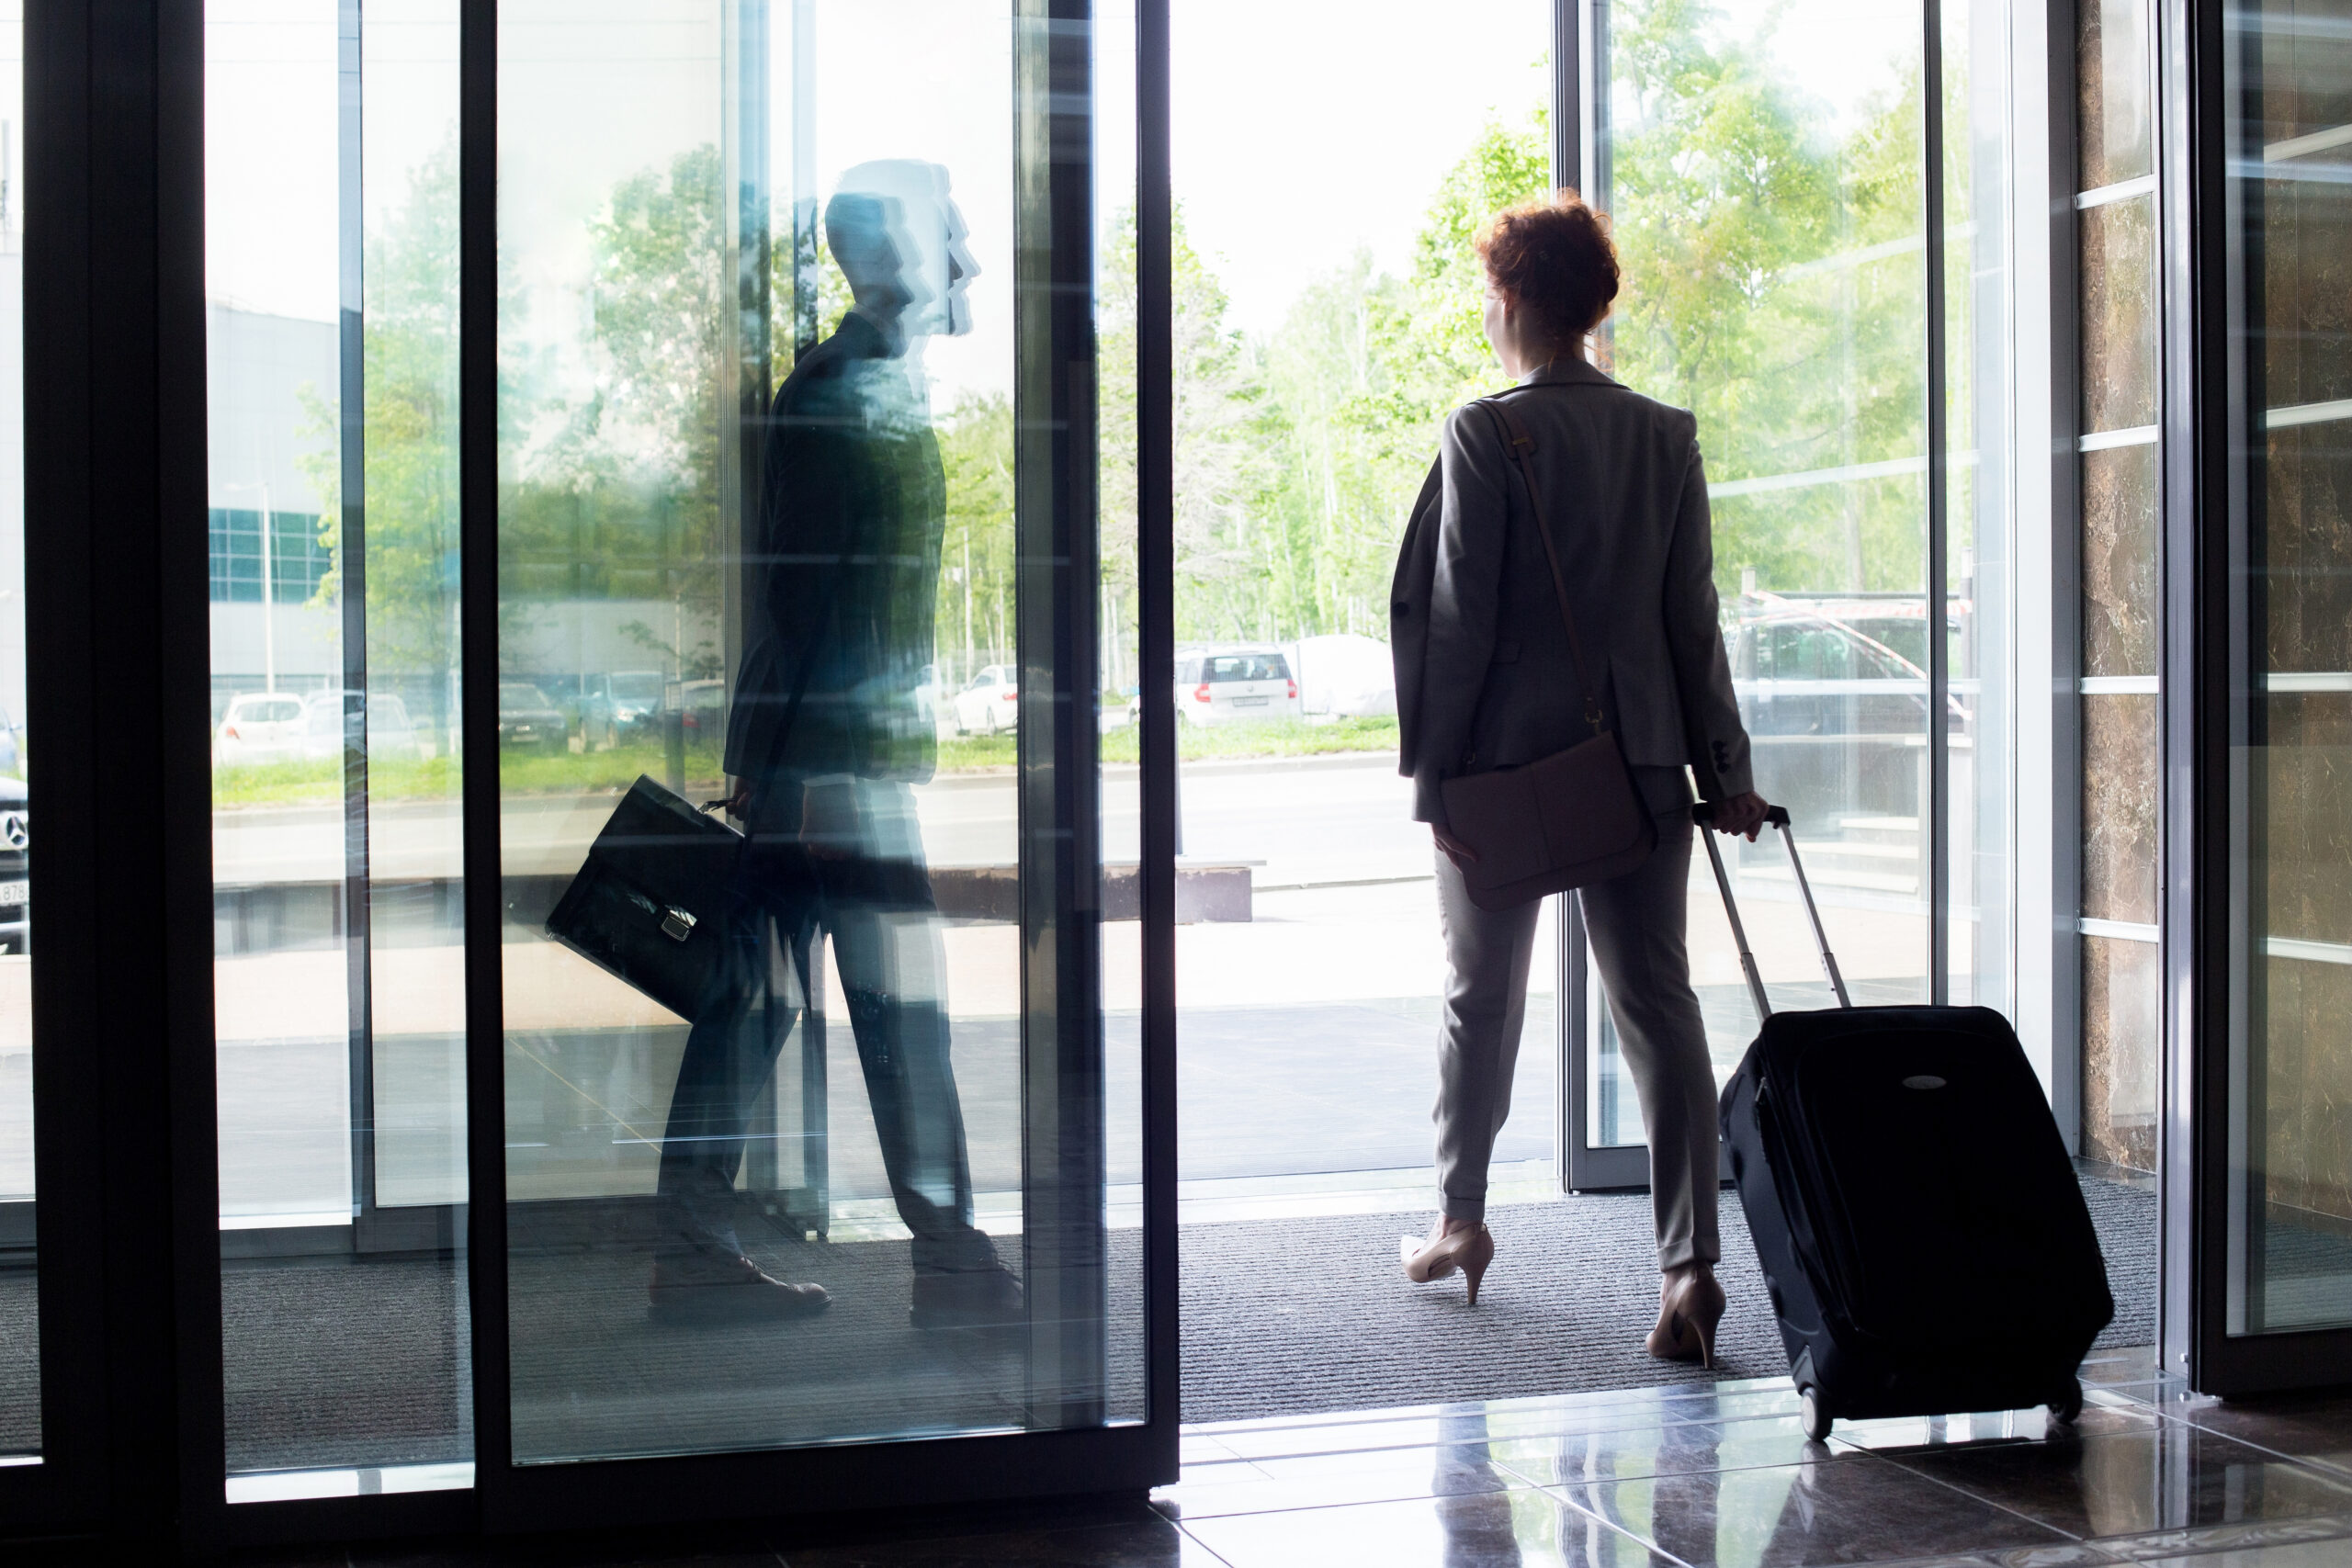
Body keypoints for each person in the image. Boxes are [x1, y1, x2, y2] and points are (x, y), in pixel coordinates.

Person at [1390, 189, 1768, 1366]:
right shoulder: (1665, 434)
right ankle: (1689, 1270)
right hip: (1643, 764)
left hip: (1505, 772)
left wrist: (1434, 781)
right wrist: (1729, 774)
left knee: (1478, 997)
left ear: (1509, 301)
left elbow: (1457, 622)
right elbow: (1688, 622)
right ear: (1591, 305)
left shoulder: (1484, 428)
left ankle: (1461, 1220)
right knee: (1660, 1009)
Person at [648, 161, 1021, 1330]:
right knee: (885, 1010)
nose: (968, 255)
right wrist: (789, 776)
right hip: (830, 763)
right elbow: (798, 601)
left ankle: (697, 1252)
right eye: (948, 231)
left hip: (835, 754)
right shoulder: (838, 394)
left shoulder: (873, 386)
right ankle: (949, 1264)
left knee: (753, 1007)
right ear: (892, 254)